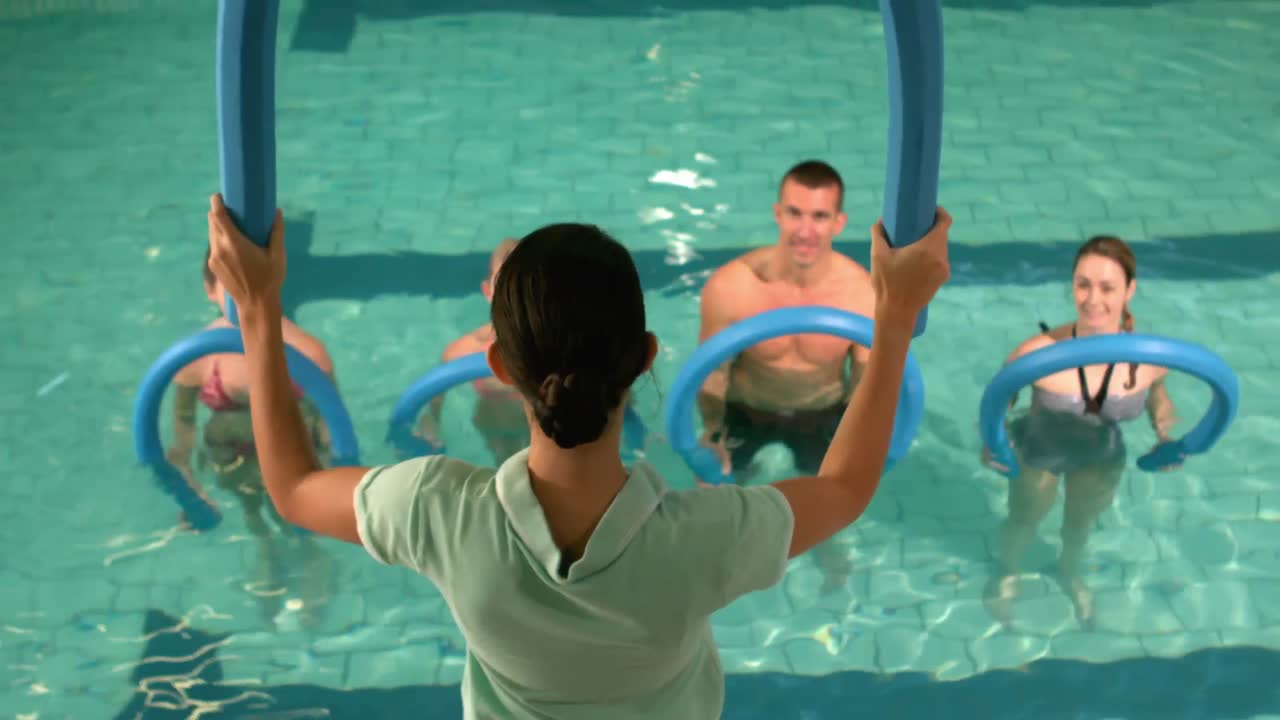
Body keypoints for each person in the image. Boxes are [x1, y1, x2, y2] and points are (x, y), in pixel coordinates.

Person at [204, 192, 951, 719]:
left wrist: (260, 310)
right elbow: (848, 486)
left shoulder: (438, 511)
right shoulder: (703, 539)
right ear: (647, 357)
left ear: (497, 367)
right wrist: (892, 319)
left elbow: (295, 487)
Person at [696, 160, 877, 592]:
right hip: (746, 409)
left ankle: (831, 557)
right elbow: (713, 372)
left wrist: (860, 442)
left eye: (819, 216)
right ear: (778, 214)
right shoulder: (733, 287)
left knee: (829, 509)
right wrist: (712, 433)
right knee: (715, 501)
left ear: (839, 222)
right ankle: (716, 570)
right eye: (795, 213)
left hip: (821, 412)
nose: (805, 230)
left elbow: (866, 381)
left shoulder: (861, 293)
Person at [982, 235, 1180, 629]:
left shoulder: (1148, 359)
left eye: (1107, 288)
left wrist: (1164, 434)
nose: (1092, 300)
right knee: (1025, 520)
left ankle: (1070, 574)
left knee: (1079, 524)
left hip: (1101, 455)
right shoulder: (1036, 353)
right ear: (1072, 285)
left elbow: (1159, 396)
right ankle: (1007, 574)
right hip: (1039, 448)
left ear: (1130, 290)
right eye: (1083, 284)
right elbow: (1001, 397)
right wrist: (993, 440)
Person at [169, 247, 339, 629]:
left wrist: (332, 477)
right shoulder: (196, 358)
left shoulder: (306, 350)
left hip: (295, 452)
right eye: (230, 287)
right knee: (253, 514)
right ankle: (265, 548)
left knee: (299, 519)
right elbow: (183, 428)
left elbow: (331, 425)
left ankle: (309, 553)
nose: (241, 296)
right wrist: (188, 486)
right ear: (209, 290)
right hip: (233, 456)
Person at [416, 238, 529, 465]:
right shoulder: (465, 351)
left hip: (544, 432)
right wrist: (429, 425)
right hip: (492, 427)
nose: (515, 296)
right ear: (488, 291)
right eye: (505, 284)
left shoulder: (562, 347)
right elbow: (433, 402)